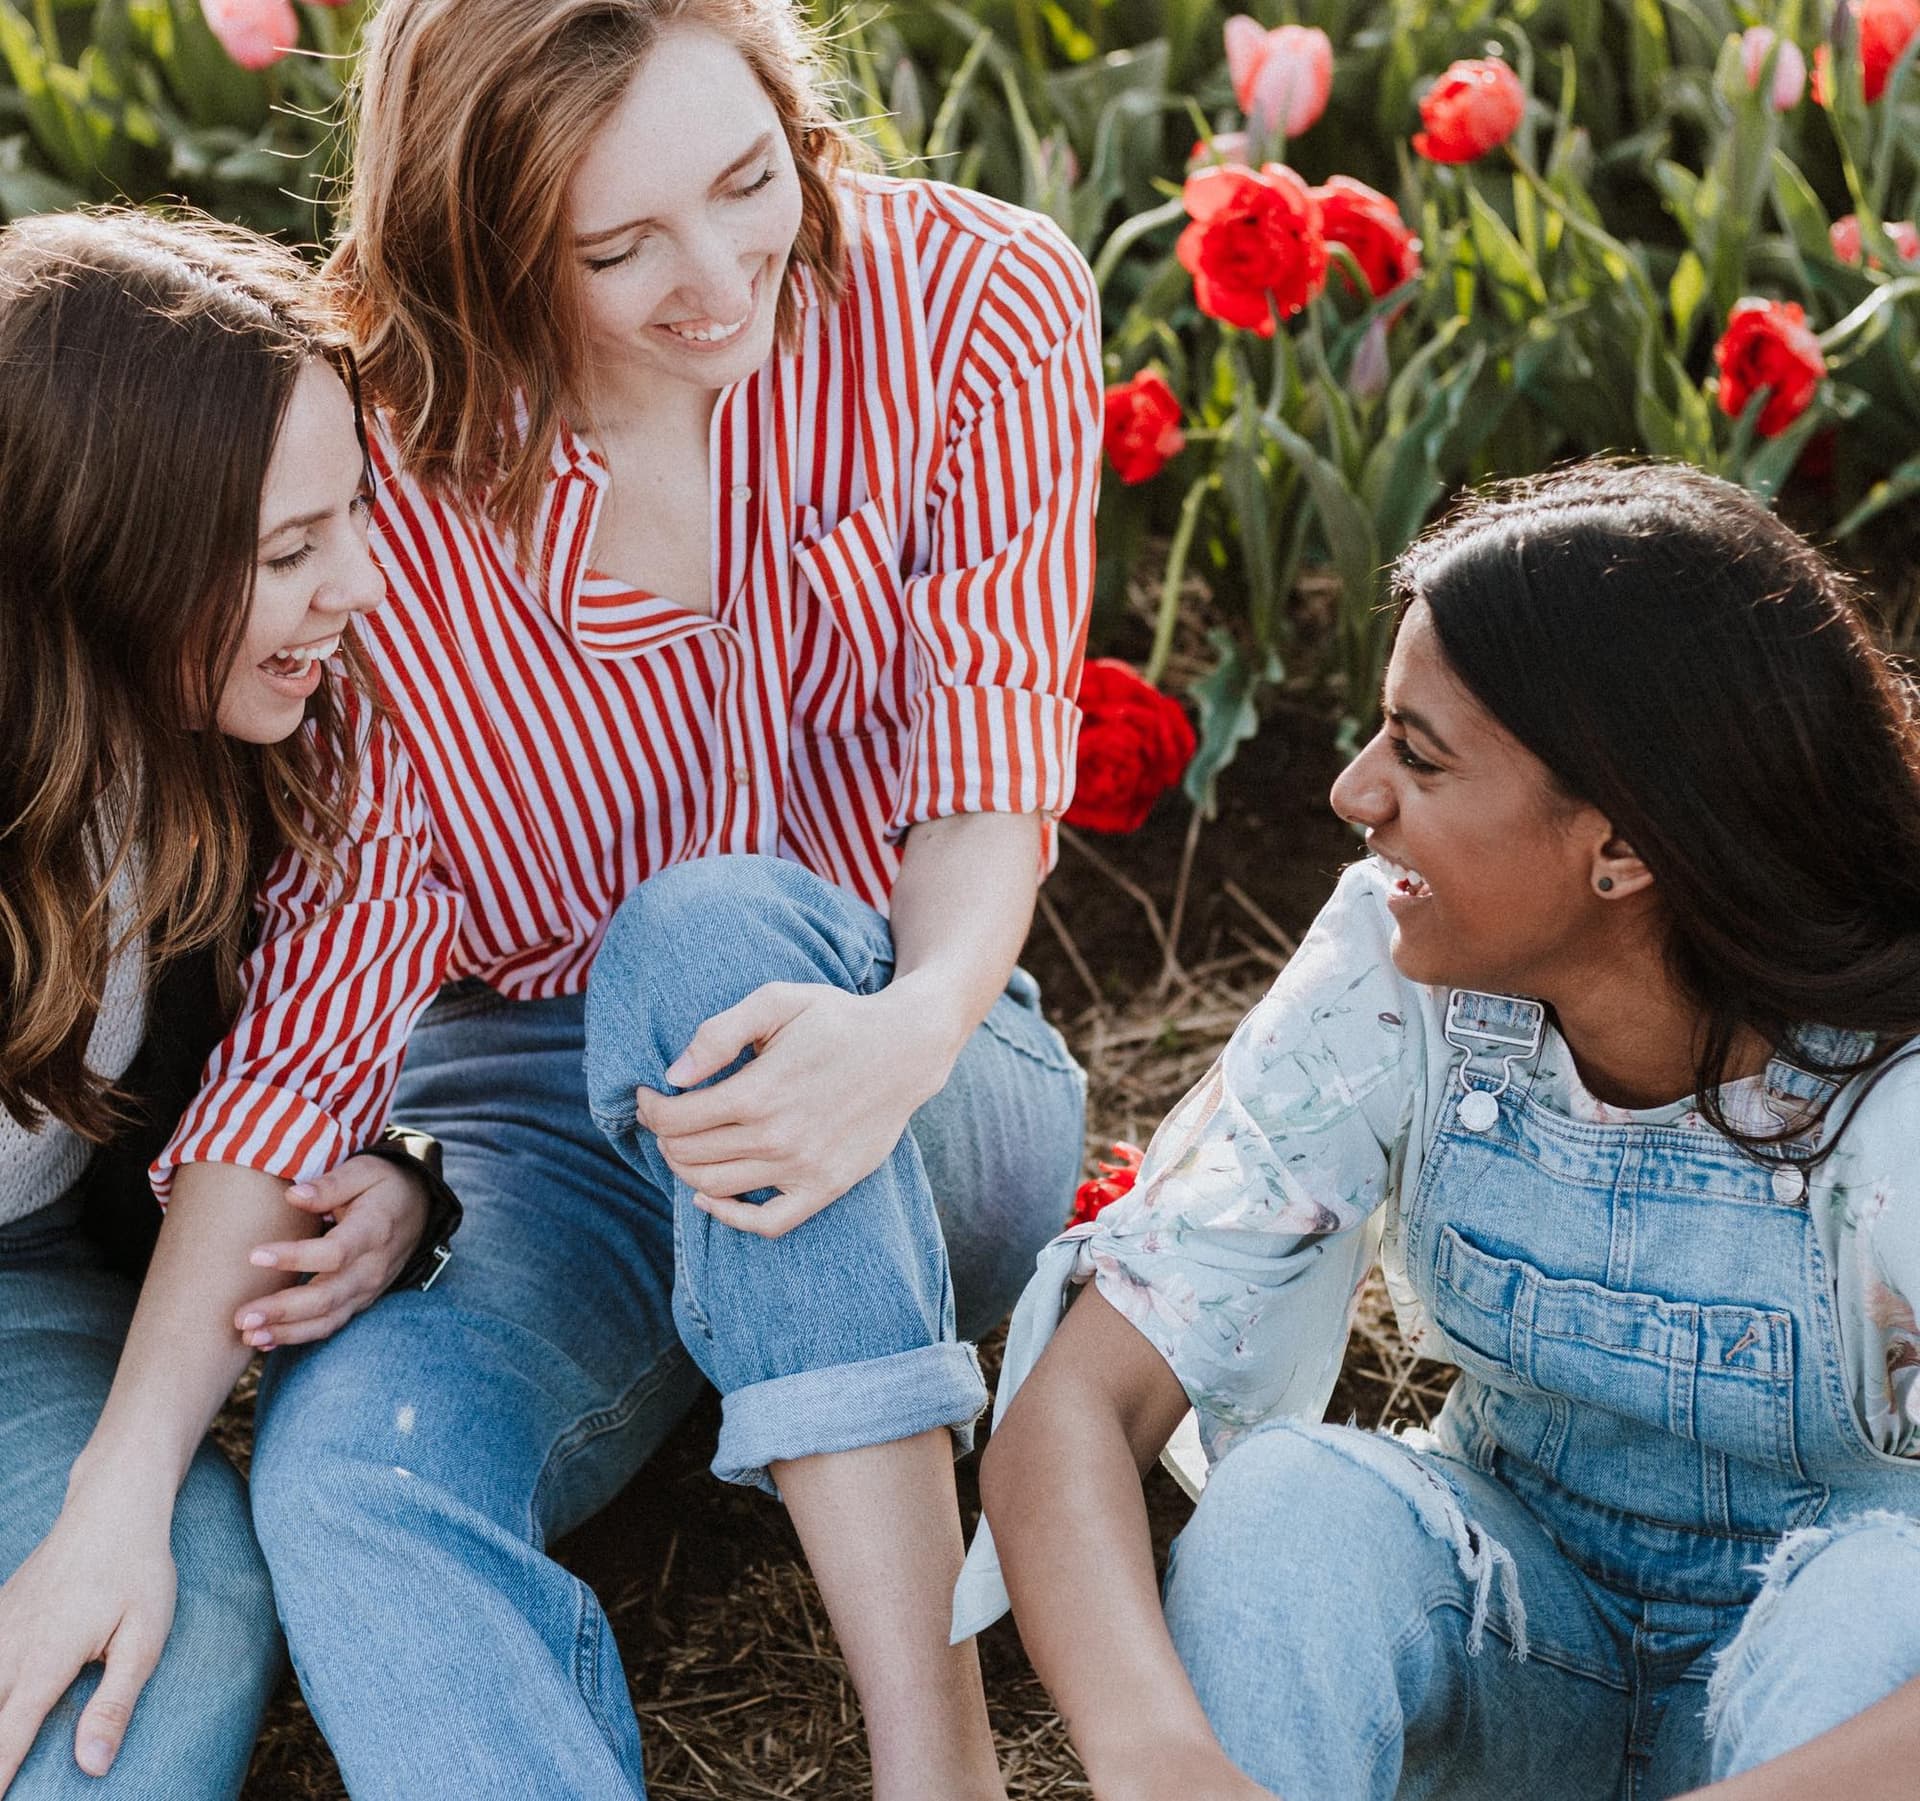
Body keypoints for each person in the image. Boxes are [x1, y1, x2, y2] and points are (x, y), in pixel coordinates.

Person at [241, 1, 1100, 1795]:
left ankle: (935, 1760)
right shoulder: (372, 447)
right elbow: (352, 930)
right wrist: (394, 1171)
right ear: (478, 249)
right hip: (545, 1121)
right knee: (354, 1470)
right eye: (618, 246)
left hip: (911, 1051)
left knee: (706, 932)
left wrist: (910, 1024)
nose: (717, 280)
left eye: (746, 183)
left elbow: (987, 770)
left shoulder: (975, 304)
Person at [970, 460, 1920, 1801]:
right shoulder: (1394, 971)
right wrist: (1165, 1758)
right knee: (1289, 1506)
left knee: (1888, 1591)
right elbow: (1073, 1408)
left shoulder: (1900, 1089)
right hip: (1525, 1654)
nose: (1357, 793)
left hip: (1836, 1738)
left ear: (1625, 847)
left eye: (1419, 756)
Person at [0, 209, 460, 1797]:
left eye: (349, 514)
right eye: (285, 553)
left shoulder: (313, 718)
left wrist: (116, 1500)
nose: (359, 582)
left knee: (156, 1636)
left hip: (30, 1285)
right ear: (92, 568)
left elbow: (297, 1063)